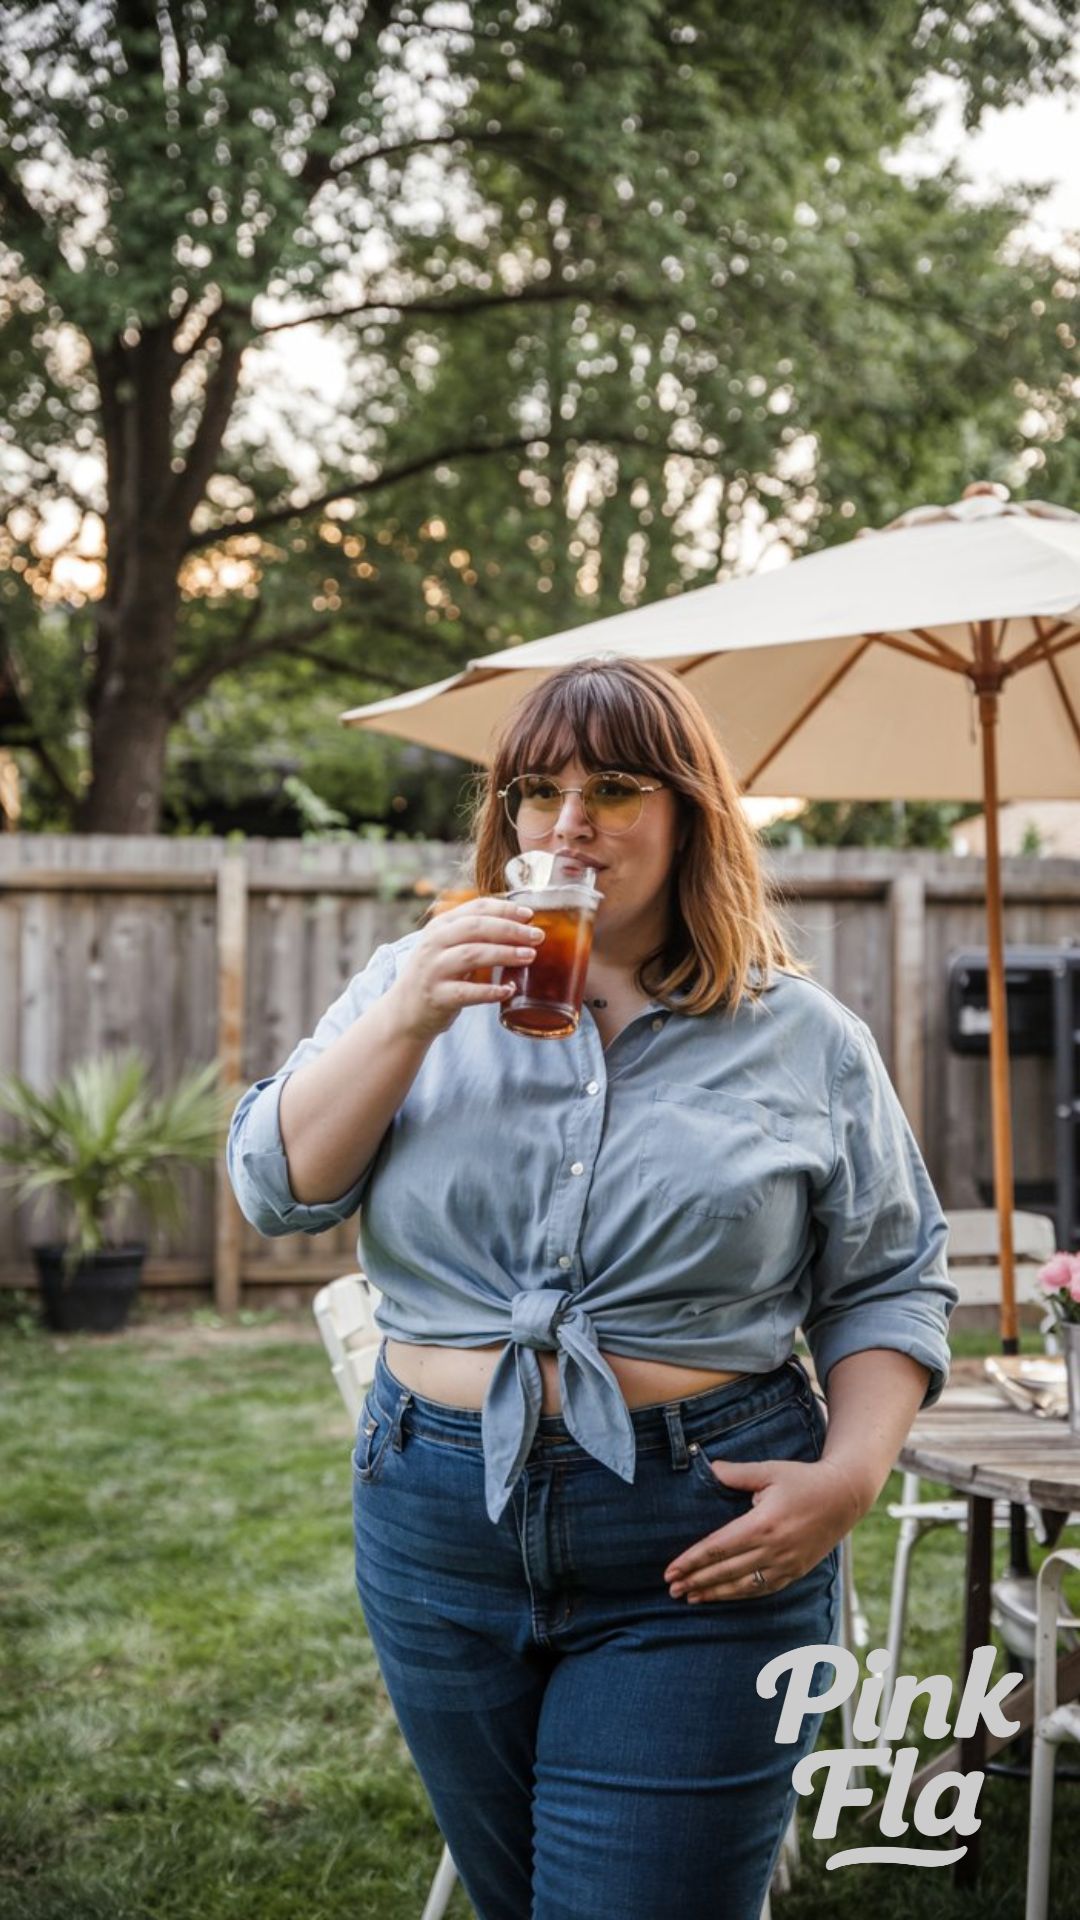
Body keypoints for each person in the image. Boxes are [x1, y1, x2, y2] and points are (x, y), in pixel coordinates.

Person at [227, 657, 956, 1920]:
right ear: (505, 822)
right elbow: (273, 1187)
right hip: (437, 1521)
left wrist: (849, 1478)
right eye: (537, 790)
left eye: (614, 787)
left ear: (687, 816)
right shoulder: (419, 982)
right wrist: (404, 1020)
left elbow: (891, 1279)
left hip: (696, 1534)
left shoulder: (802, 1037)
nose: (570, 821)